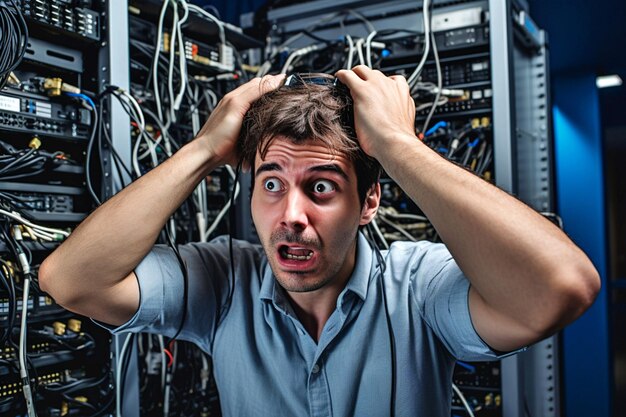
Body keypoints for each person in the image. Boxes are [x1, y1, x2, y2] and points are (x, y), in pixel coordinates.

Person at [39, 66, 600, 416]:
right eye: (272, 184)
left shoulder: (417, 289)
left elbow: (562, 287)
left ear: (369, 202)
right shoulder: (224, 284)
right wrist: (205, 148)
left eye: (323, 187)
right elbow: (71, 281)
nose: (291, 216)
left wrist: (397, 146)